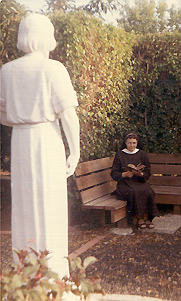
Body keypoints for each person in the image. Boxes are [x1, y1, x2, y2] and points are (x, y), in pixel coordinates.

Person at [0, 13, 80, 278]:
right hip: (47, 141)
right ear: (46, 36)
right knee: (49, 205)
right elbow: (68, 115)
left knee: (24, 206)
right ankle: (52, 277)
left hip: (21, 142)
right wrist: (75, 150)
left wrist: (23, 117)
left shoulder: (7, 70)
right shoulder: (52, 69)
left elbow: (2, 113)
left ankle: (25, 276)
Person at [110, 132, 158, 229]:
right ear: (125, 143)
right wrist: (125, 174)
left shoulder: (142, 154)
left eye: (134, 143)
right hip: (124, 184)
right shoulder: (120, 155)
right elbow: (114, 173)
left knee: (148, 191)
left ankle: (147, 218)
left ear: (137, 143)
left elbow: (148, 171)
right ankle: (139, 218)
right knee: (134, 192)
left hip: (139, 181)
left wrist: (141, 174)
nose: (132, 145)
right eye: (129, 143)